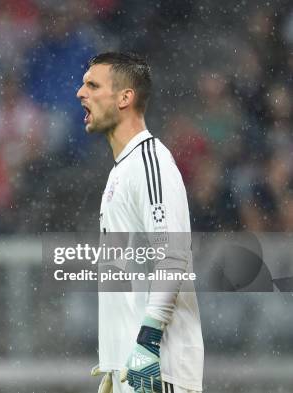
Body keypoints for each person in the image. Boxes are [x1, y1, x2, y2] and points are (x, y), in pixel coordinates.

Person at [76, 52, 203, 393]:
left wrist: (147, 343)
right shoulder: (123, 170)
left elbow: (173, 256)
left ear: (125, 97)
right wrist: (115, 366)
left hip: (159, 369)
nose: (80, 93)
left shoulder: (151, 162)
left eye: (92, 85)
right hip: (133, 371)